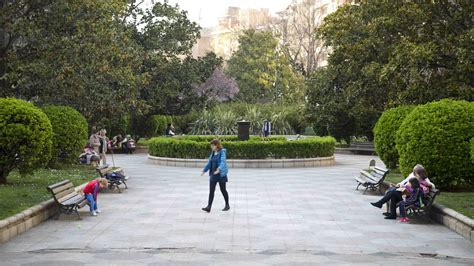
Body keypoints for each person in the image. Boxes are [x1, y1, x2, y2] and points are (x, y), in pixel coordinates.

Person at [201, 139, 230, 212]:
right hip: (213, 174)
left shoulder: (222, 152)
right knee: (211, 191)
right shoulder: (213, 153)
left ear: (216, 145)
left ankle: (227, 205)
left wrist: (219, 169)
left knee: (223, 190)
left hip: (220, 174)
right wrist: (204, 170)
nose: (211, 147)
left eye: (212, 145)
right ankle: (209, 207)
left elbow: (223, 162)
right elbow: (209, 163)